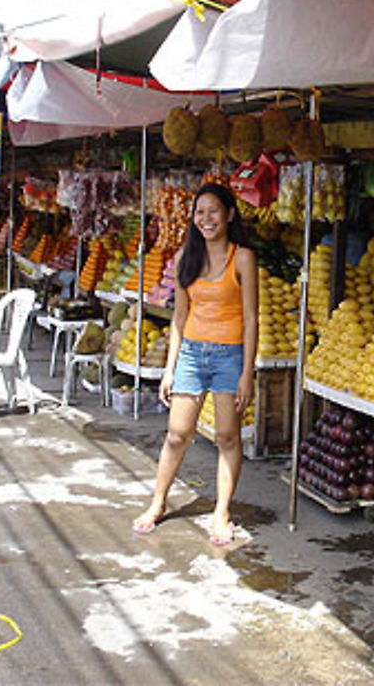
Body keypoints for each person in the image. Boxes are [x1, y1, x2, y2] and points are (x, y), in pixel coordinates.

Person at [132, 183, 258, 545]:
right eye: (199, 212)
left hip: (229, 355)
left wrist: (247, 373)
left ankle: (222, 513)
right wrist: (170, 368)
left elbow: (251, 318)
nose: (206, 219)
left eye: (214, 211)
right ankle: (157, 503)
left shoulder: (243, 258)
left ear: (229, 214)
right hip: (190, 353)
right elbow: (179, 317)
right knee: (177, 434)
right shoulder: (185, 256)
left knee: (226, 436)